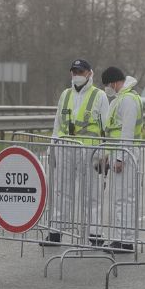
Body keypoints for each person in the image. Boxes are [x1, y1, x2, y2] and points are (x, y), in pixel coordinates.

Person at [41, 58, 109, 246]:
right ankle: (55, 233)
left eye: (80, 72)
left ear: (89, 73)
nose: (77, 76)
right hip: (65, 149)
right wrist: (52, 149)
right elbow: (57, 124)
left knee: (92, 194)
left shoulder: (99, 96)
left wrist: (106, 154)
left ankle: (95, 235)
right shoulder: (65, 95)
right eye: (74, 72)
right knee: (62, 192)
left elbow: (106, 128)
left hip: (90, 151)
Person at [101, 66, 143, 253]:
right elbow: (113, 133)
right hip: (122, 154)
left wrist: (120, 158)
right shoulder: (121, 99)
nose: (107, 88)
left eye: (108, 84)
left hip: (126, 156)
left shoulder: (128, 100)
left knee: (124, 199)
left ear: (114, 82)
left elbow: (126, 133)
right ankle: (121, 238)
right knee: (120, 199)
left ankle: (124, 240)